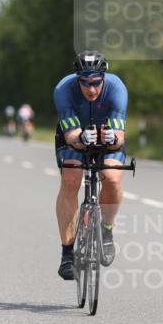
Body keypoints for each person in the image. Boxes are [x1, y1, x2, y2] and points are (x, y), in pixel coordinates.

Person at [54, 51, 128, 280]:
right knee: (71, 179)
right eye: (85, 83)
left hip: (106, 134)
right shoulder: (63, 89)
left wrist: (112, 139)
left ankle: (106, 231)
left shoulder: (116, 89)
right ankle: (67, 254)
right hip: (75, 136)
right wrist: (80, 138)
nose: (91, 89)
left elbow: (120, 135)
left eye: (96, 82)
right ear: (78, 79)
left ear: (103, 79)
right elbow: (70, 134)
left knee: (113, 177)